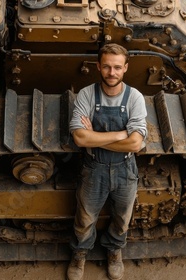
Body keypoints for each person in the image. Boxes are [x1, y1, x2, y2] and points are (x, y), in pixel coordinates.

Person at [67, 43, 147, 280]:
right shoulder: (87, 94)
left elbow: (135, 144)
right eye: (107, 67)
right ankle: (80, 253)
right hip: (94, 169)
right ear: (98, 67)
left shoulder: (135, 97)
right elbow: (80, 137)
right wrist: (119, 134)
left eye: (117, 67)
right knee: (85, 218)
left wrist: (96, 139)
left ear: (125, 68)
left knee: (122, 218)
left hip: (125, 168)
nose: (112, 73)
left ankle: (114, 250)